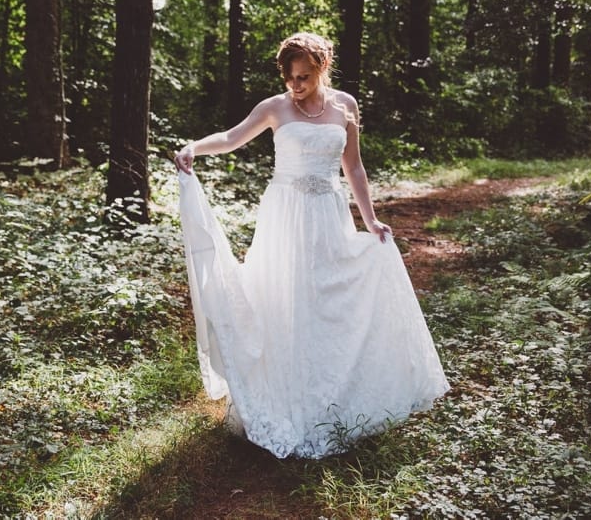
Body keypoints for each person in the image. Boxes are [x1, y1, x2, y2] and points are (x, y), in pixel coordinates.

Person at [175, 32, 449, 459]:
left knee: (327, 300)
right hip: (285, 218)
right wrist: (194, 148)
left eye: (303, 76)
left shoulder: (345, 106)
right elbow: (231, 138)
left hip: (328, 214)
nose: (295, 84)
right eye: (289, 77)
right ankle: (288, 396)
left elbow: (353, 167)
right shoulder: (274, 107)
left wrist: (370, 218)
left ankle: (334, 396)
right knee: (288, 301)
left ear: (322, 68)